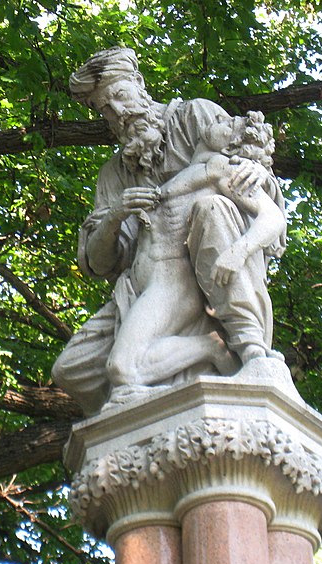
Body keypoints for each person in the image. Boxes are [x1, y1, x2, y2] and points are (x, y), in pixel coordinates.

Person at [51, 47, 286, 415]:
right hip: (143, 283)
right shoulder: (115, 172)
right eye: (104, 109)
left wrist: (257, 171)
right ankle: (187, 366)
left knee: (212, 207)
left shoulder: (197, 117)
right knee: (73, 370)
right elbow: (97, 262)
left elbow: (251, 173)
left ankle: (250, 345)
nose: (118, 112)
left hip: (200, 269)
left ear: (140, 85)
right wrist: (115, 216)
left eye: (120, 96)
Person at [103, 111, 286, 404]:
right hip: (146, 286)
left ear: (229, 146)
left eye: (228, 125)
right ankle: (202, 360)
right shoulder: (185, 172)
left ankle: (211, 349)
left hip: (172, 285)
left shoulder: (222, 169)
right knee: (121, 374)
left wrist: (238, 252)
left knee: (122, 370)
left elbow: (272, 217)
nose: (218, 120)